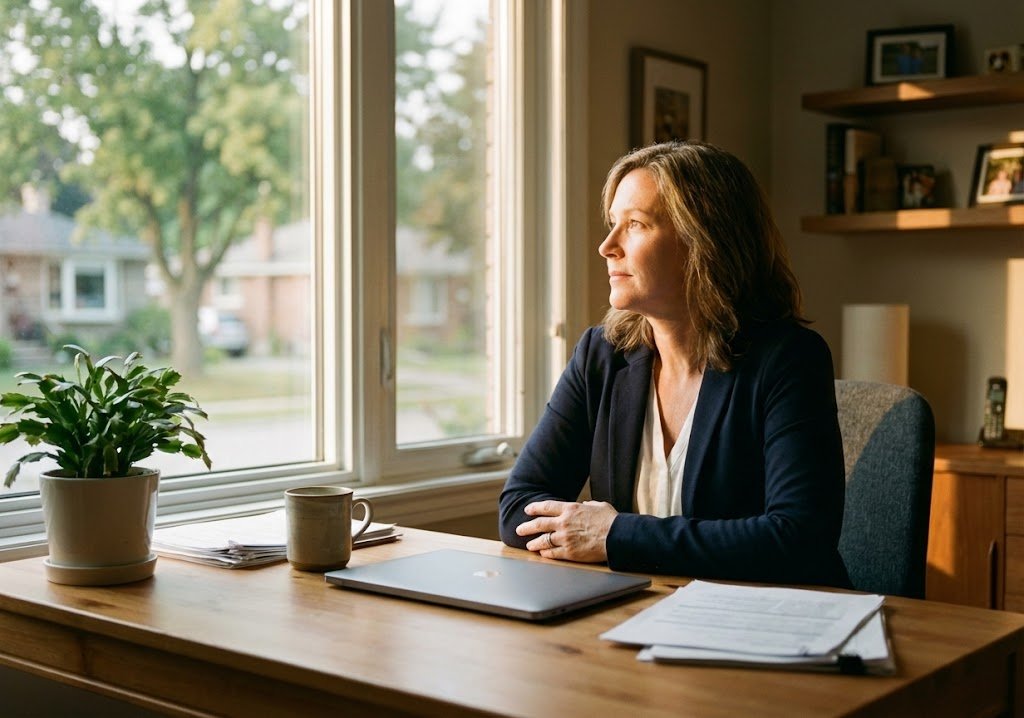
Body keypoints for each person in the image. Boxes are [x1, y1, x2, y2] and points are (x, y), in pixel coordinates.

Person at [498, 141, 851, 588]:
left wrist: (616, 534)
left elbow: (798, 538)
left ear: (704, 242)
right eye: (612, 225)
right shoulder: (600, 356)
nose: (607, 246)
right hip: (643, 615)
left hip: (771, 623)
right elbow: (518, 507)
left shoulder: (788, 359)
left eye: (636, 225)